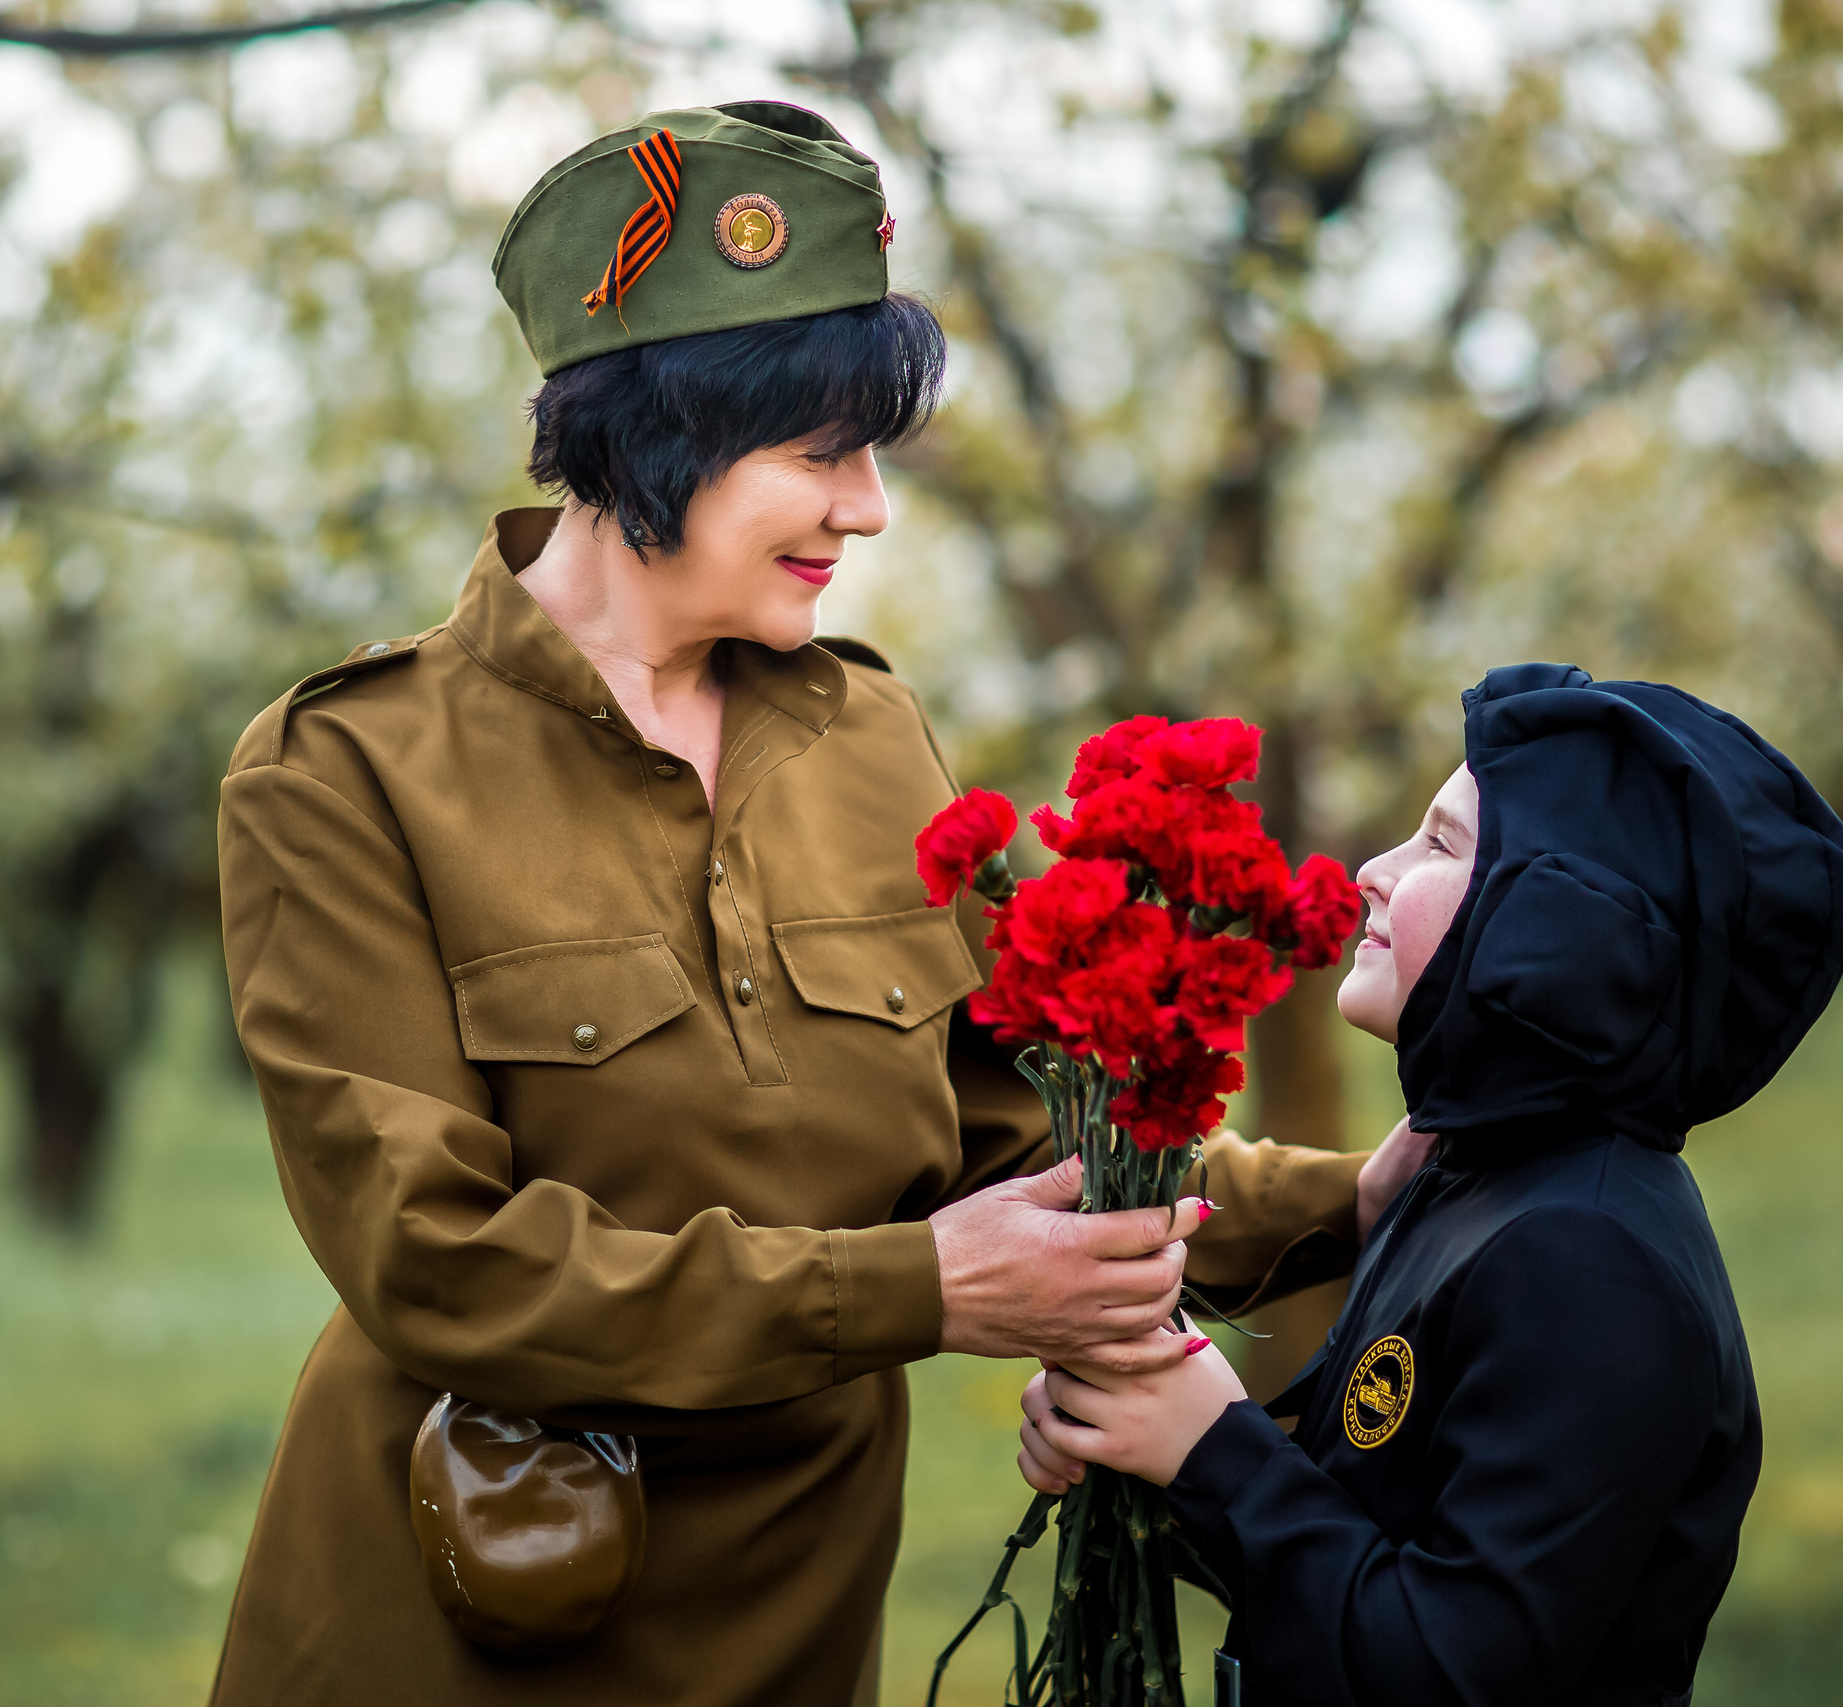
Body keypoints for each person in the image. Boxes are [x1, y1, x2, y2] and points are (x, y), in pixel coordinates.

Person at [210, 100, 1418, 1706]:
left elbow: (1030, 1144)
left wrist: (1361, 1193)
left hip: (790, 1622)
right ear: (659, 433)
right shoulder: (344, 769)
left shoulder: (868, 734)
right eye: (819, 453)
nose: (869, 508)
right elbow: (438, 1259)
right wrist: (920, 1288)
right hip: (451, 1618)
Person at [1018, 664, 1843, 1707]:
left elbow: (1451, 1669)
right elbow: (1365, 1539)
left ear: (1557, 926)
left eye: (1439, 843)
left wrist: (1215, 1453)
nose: (1371, 869)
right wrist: (1146, 1436)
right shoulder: (1467, 1176)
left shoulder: (1587, 1262)